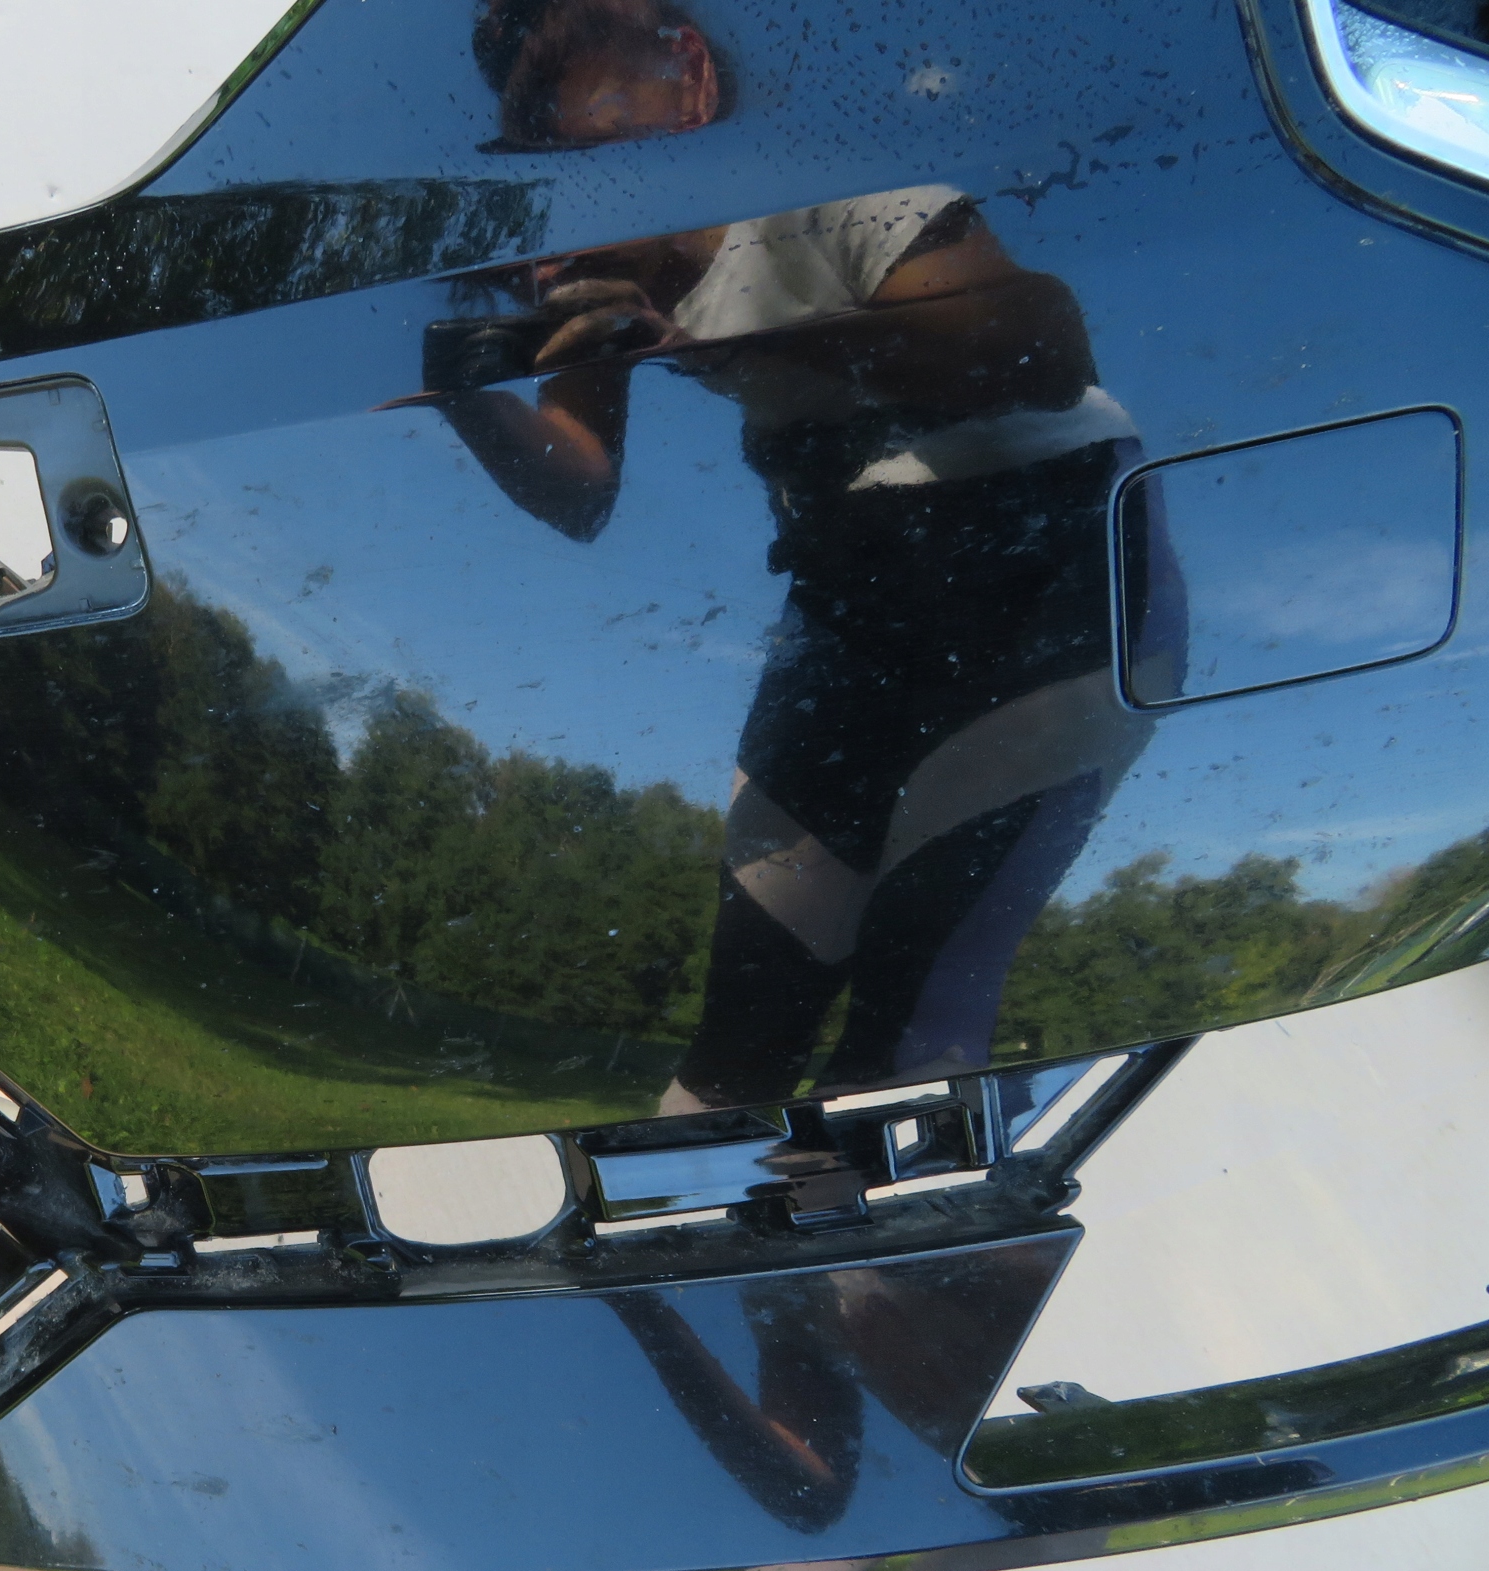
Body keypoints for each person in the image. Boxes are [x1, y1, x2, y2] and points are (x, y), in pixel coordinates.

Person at [439, 0, 1155, 1111]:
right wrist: (462, 394)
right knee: (742, 1025)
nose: (545, 210)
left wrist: (723, 342)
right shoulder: (611, 287)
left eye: (564, 132)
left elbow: (1040, 348)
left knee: (916, 1012)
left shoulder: (829, 197)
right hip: (844, 596)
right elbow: (579, 487)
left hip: (1047, 554)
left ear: (687, 75)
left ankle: (925, 1204)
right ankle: (693, 1208)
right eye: (528, 163)